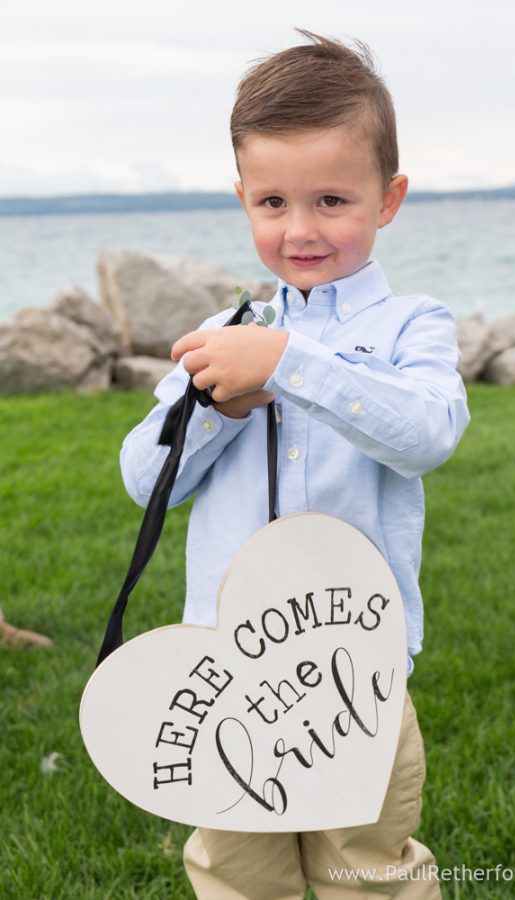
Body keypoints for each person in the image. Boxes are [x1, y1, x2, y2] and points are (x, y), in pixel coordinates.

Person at [120, 29, 469, 900]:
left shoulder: (410, 327)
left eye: (331, 200)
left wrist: (290, 367)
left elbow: (427, 431)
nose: (301, 229)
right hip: (229, 667)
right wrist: (222, 407)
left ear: (387, 200)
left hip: (360, 662)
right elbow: (141, 475)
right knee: (237, 868)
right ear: (242, 198)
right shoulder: (226, 331)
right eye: (273, 202)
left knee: (368, 868)